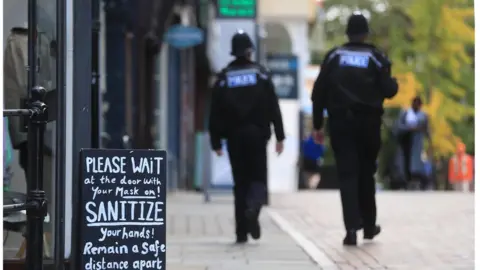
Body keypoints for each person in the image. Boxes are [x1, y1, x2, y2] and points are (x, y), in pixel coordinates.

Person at [310, 12, 398, 245]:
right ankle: (369, 226)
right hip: (368, 125)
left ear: (347, 33)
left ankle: (351, 230)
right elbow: (389, 90)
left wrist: (318, 124)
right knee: (366, 174)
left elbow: (318, 94)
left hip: (341, 124)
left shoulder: (334, 57)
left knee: (347, 175)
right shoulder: (375, 57)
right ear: (366, 33)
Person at [208, 30, 286, 244]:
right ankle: (253, 209)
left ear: (234, 52)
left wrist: (215, 141)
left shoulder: (223, 78)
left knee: (240, 182)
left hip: (234, 137)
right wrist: (280, 136)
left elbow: (214, 112)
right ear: (250, 51)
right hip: (257, 136)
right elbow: (273, 107)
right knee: (258, 179)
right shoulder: (261, 75)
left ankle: (241, 232)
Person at [395, 96, 432, 190]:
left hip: (418, 143)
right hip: (406, 142)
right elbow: (399, 126)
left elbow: (427, 130)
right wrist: (409, 128)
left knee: (418, 162)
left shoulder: (423, 116)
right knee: (405, 162)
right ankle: (406, 181)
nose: (416, 106)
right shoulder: (406, 113)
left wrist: (429, 141)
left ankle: (418, 181)